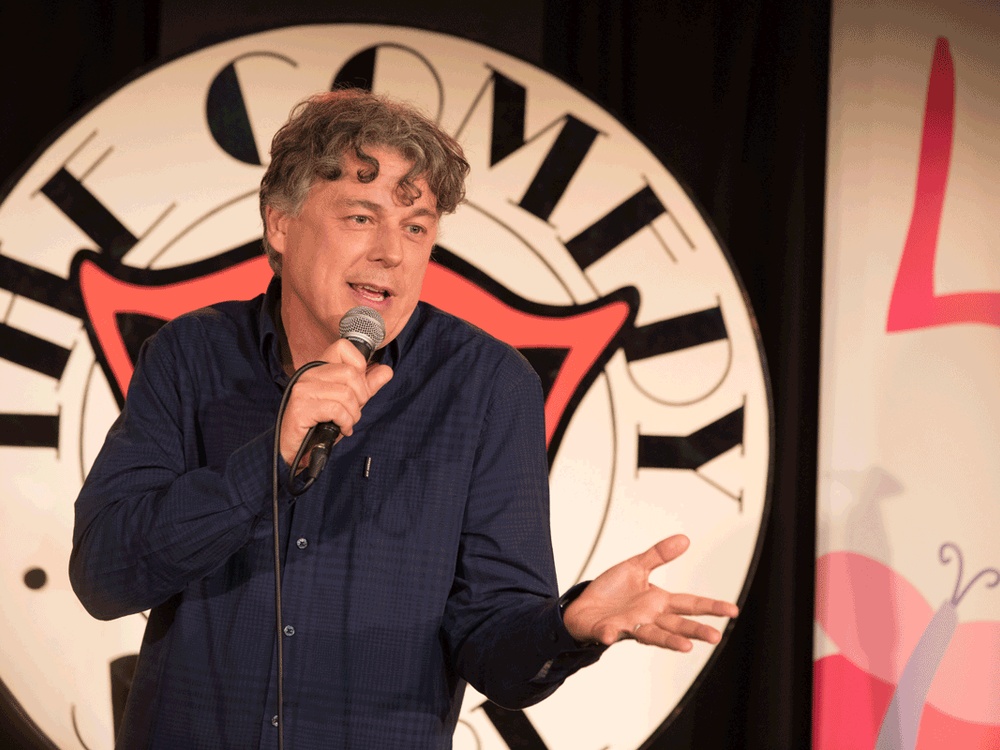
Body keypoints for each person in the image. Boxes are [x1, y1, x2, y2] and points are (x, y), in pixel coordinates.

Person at [70, 89, 739, 749]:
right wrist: (266, 460)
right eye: (361, 218)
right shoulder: (189, 355)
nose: (392, 252)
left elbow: (494, 645)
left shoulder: (487, 387)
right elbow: (103, 576)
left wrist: (566, 627)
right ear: (280, 224)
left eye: (416, 227)